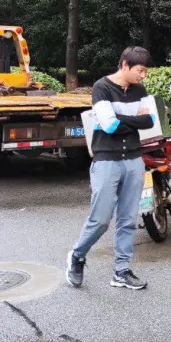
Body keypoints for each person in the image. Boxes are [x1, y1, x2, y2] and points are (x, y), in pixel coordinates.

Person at [66, 46, 156, 291]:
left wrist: (120, 118)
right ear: (125, 65)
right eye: (140, 70)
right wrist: (132, 120)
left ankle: (122, 271)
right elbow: (109, 126)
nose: (143, 76)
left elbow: (150, 121)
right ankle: (77, 255)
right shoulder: (102, 87)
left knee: (128, 219)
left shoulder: (140, 90)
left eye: (145, 71)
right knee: (101, 219)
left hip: (134, 159)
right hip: (106, 160)